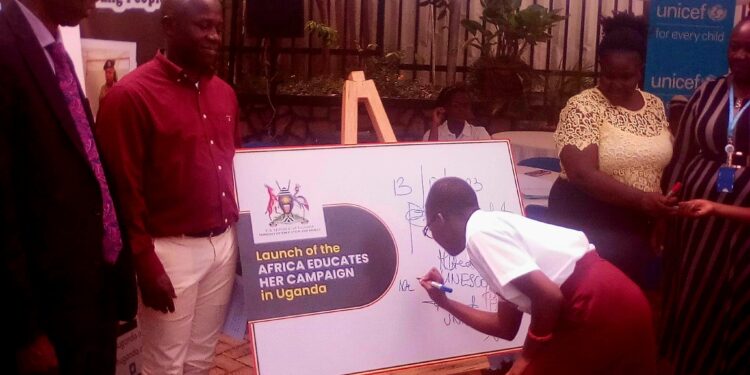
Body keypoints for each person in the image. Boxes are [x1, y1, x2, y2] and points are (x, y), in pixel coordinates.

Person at [95, 0, 239, 373]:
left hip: (223, 247)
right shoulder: (129, 97)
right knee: (164, 366)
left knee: (201, 359)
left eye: (218, 28)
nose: (214, 37)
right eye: (203, 26)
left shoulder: (224, 93)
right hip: (170, 254)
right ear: (170, 26)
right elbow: (122, 192)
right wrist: (144, 261)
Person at [0, 0, 137, 373]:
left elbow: (87, 165)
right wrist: (25, 334)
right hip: (45, 318)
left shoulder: (53, 50)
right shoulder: (6, 49)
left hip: (90, 296)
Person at [419, 177, 657, 375]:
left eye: (429, 228)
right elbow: (505, 327)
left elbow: (549, 297)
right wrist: (446, 303)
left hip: (597, 307)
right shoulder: (493, 228)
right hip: (618, 300)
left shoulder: (479, 234)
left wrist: (527, 357)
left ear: (439, 219)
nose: (434, 236)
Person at [546, 12, 675, 289]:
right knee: (593, 306)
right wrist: (644, 201)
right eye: (608, 75)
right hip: (589, 223)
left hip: (638, 227)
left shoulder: (653, 105)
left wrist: (659, 214)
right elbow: (581, 173)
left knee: (629, 305)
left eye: (626, 76)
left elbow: (658, 166)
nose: (615, 84)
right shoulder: (583, 106)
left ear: (641, 69)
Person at [659, 18, 750, 375]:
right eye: (734, 46)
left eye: (749, 49)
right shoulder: (709, 90)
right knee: (698, 290)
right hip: (698, 221)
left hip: (743, 226)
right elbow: (683, 152)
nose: (740, 55)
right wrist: (669, 208)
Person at [423, 85, 491, 141]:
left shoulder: (479, 133)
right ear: (445, 108)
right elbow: (429, 155)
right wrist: (435, 124)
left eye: (465, 105)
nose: (461, 109)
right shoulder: (431, 133)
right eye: (456, 105)